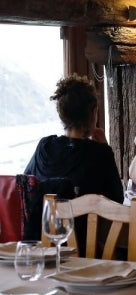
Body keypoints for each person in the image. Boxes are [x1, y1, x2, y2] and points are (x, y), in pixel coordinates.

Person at [25, 73, 124, 202]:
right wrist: (104, 147)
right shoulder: (100, 153)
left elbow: (25, 185)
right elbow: (117, 201)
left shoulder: (45, 146)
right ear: (94, 113)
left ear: (62, 114)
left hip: (44, 221)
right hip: (79, 222)